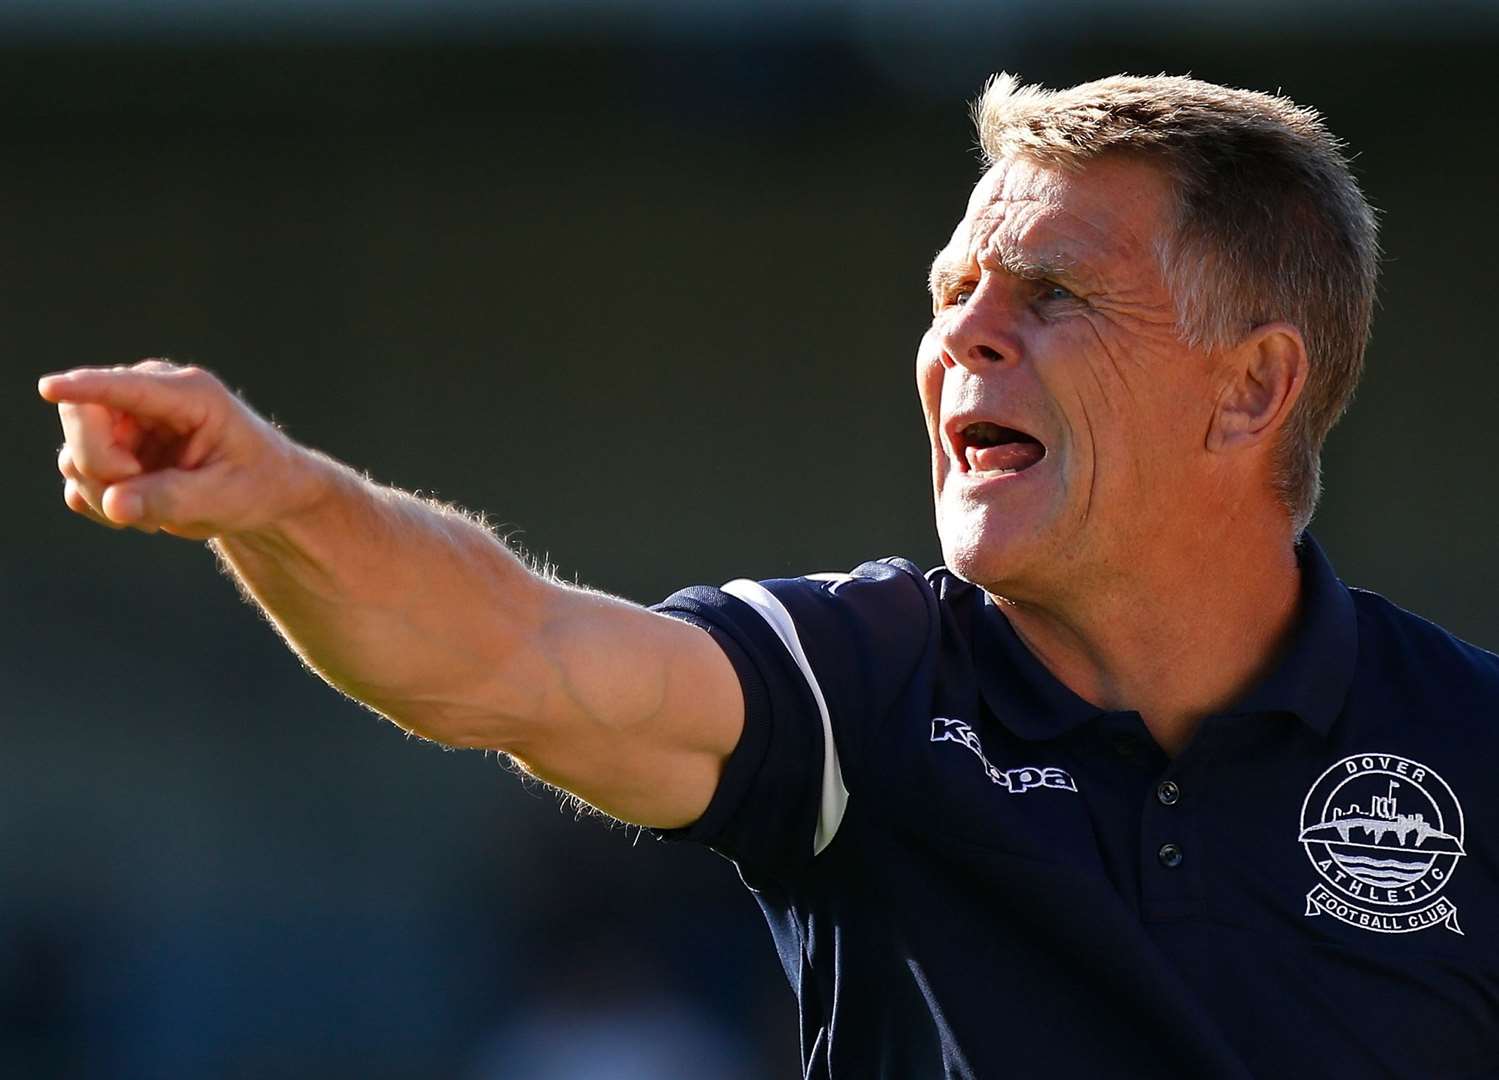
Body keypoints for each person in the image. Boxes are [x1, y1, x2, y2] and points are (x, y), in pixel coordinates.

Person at [38, 72, 1499, 1079]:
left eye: (1051, 297)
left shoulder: (1473, 750)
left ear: (1250, 392)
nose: (962, 342)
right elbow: (504, 654)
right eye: (951, 297)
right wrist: (286, 503)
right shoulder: (869, 683)